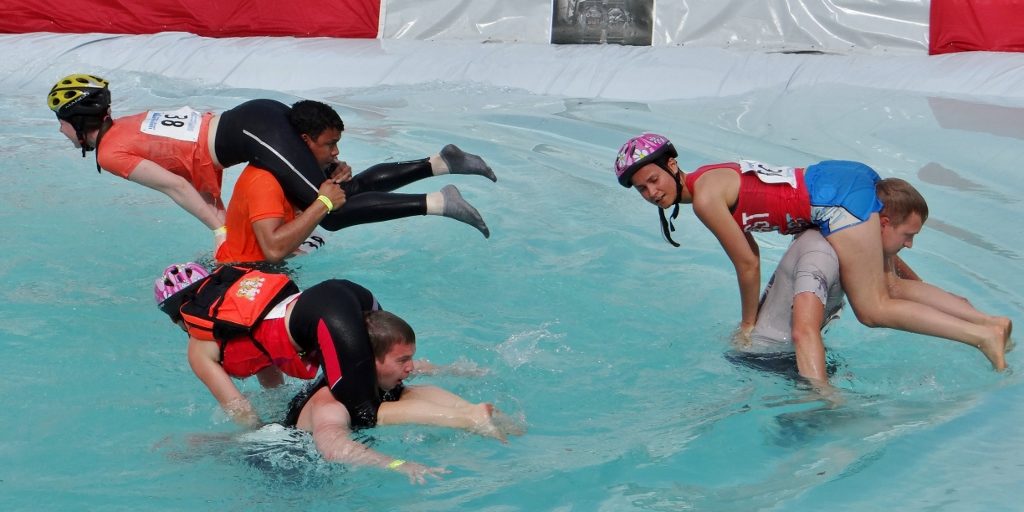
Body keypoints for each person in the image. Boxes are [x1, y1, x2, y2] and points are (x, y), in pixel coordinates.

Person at [614, 133, 1012, 370]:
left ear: (672, 164)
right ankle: (991, 322)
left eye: (654, 180)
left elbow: (748, 264)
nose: (652, 192)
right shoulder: (710, 178)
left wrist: (748, 325)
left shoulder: (704, 198)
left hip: (833, 199)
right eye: (642, 189)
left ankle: (979, 336)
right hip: (837, 179)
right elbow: (753, 245)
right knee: (891, 286)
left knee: (872, 309)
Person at [155, 263, 517, 483]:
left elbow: (243, 411)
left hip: (329, 319)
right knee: (388, 378)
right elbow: (271, 375)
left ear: (178, 319)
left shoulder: (203, 344)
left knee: (364, 410)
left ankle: (469, 417)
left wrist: (396, 464)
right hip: (345, 293)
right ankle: (467, 395)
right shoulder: (240, 310)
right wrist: (459, 372)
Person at [48, 74, 495, 251]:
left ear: (78, 120)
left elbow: (176, 187)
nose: (62, 132)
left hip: (255, 131)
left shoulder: (110, 152)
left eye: (62, 123)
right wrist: (228, 224)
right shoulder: (128, 125)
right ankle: (440, 162)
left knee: (328, 212)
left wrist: (223, 232)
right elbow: (196, 173)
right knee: (326, 196)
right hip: (254, 123)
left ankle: (440, 202)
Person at [743, 178, 1012, 386]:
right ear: (882, 224)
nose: (910, 244)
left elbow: (901, 284)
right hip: (769, 361)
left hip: (798, 354)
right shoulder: (820, 255)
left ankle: (988, 326)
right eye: (907, 235)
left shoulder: (852, 239)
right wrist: (824, 397)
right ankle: (984, 332)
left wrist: (970, 316)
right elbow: (803, 332)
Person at [215, 100, 490, 264]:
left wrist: (329, 181)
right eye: (329, 144)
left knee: (347, 192)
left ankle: (439, 166)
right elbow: (273, 250)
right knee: (333, 211)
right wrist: (324, 202)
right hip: (241, 275)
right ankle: (438, 196)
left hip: (272, 266)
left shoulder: (292, 172)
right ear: (304, 142)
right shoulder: (264, 181)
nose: (336, 152)